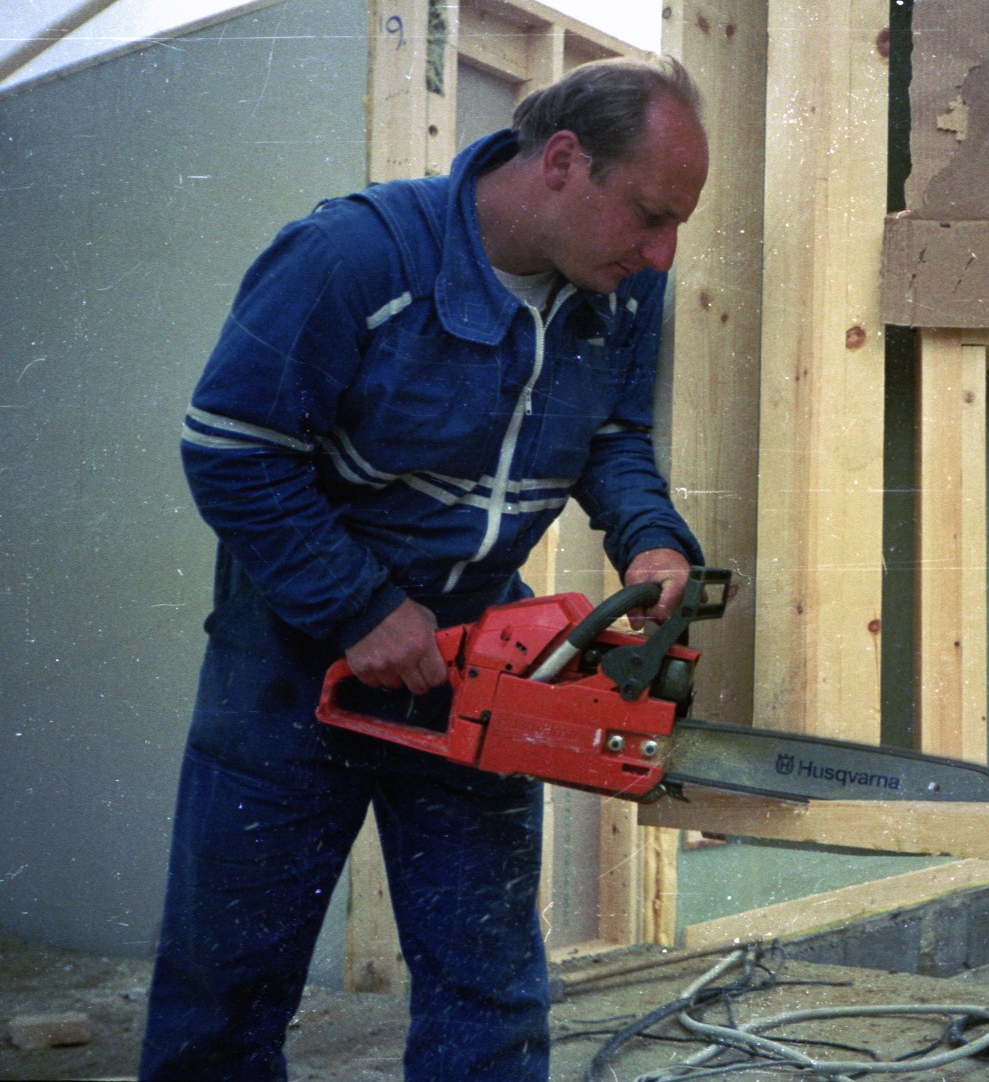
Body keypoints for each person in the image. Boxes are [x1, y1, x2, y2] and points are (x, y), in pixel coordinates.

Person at [140, 56, 709, 1082]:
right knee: (226, 990)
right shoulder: (352, 255)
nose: (663, 254)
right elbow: (230, 445)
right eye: (648, 215)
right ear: (563, 162)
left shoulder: (620, 295)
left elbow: (614, 438)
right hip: (292, 659)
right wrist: (357, 604)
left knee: (488, 992)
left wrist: (651, 538)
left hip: (483, 658)